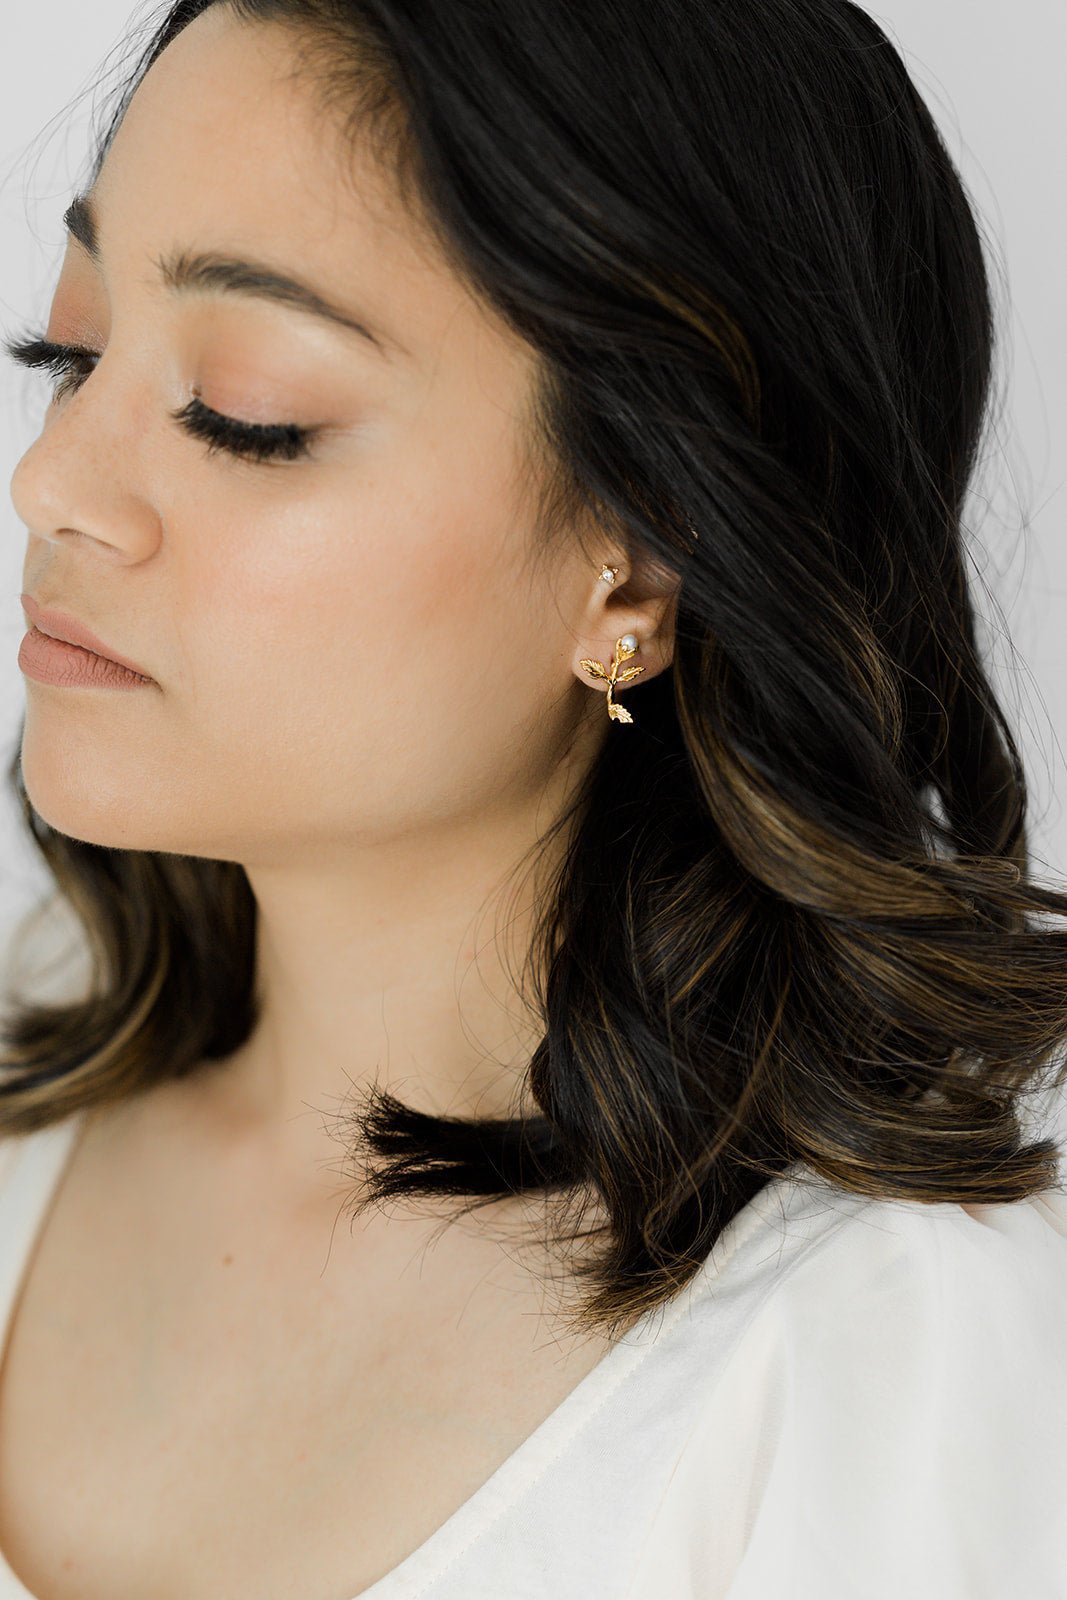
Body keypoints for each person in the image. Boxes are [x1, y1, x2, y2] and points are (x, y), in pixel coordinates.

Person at [0, 2, 1065, 1596]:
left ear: (635, 561)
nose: (56, 480)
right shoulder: (26, 1072)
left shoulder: (881, 1360)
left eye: (248, 412)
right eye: (73, 352)